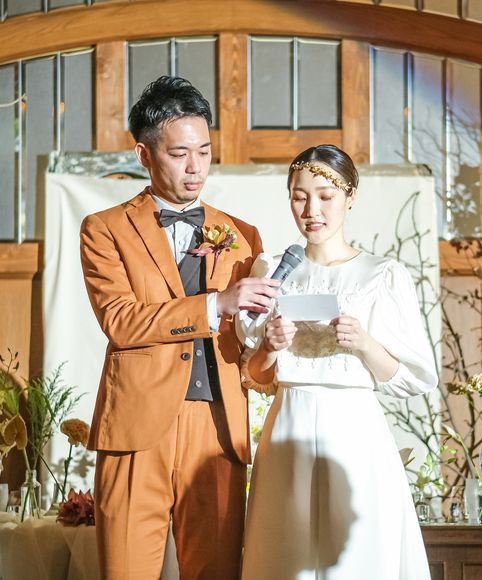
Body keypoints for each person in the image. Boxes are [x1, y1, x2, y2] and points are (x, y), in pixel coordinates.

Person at [80, 76, 278, 580]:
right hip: (136, 429)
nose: (196, 167)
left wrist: (271, 343)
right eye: (179, 153)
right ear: (145, 155)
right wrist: (215, 304)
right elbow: (120, 321)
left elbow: (249, 349)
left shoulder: (243, 235)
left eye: (205, 152)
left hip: (217, 430)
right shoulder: (104, 229)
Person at [237, 144, 438, 579]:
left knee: (357, 559)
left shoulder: (382, 275)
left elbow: (414, 378)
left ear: (350, 198)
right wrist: (270, 346)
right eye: (299, 197)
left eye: (326, 197)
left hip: (355, 429)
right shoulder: (271, 268)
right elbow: (253, 375)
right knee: (284, 554)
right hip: (288, 423)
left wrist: (364, 344)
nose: (312, 210)